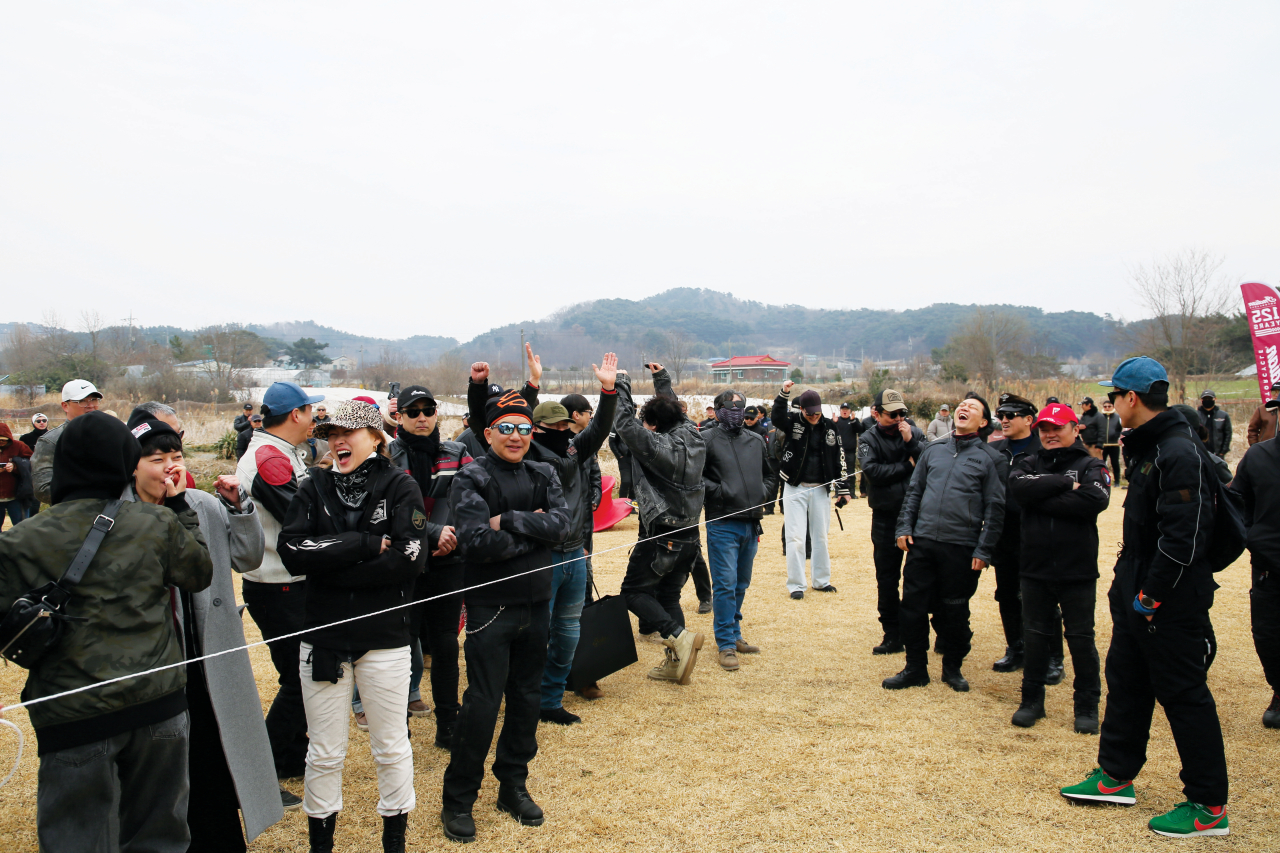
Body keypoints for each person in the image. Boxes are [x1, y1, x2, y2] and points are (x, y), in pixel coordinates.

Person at [0, 411, 212, 852]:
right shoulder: (155, 523)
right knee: (160, 837)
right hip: (157, 705)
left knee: (77, 839)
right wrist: (179, 508)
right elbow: (199, 572)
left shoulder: (19, 541)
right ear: (124, 461)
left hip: (73, 713)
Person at [1060, 357, 1230, 838]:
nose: (1111, 404)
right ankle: (1116, 775)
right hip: (1138, 583)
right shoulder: (1151, 445)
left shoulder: (1178, 450)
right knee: (1127, 679)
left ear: (1131, 398)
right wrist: (1129, 587)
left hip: (1169, 595)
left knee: (1183, 693)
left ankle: (1208, 806)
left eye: (1113, 396)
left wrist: (1152, 596)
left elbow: (1185, 537)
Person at [123, 406, 284, 849]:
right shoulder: (119, 514)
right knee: (162, 767)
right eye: (156, 459)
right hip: (155, 663)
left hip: (207, 655)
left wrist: (240, 508)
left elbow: (247, 558)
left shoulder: (203, 504)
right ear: (131, 465)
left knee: (212, 755)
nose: (170, 466)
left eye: (175, 455)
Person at [278, 400, 426, 853]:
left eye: (348, 432)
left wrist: (329, 566)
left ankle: (394, 842)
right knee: (323, 752)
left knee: (391, 746)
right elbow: (292, 551)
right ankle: (320, 845)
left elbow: (408, 560)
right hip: (322, 638)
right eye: (331, 434)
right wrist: (361, 544)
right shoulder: (313, 485)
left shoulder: (400, 485)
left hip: (384, 639)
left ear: (376, 438)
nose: (337, 441)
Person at [440, 379, 572, 843]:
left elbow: (563, 526)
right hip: (490, 607)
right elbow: (476, 542)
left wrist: (511, 520)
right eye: (506, 428)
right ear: (489, 433)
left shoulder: (544, 473)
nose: (516, 437)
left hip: (537, 603)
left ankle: (512, 785)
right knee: (482, 703)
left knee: (526, 699)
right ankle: (458, 798)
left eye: (524, 428)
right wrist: (535, 532)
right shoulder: (472, 476)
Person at [235, 381, 324, 783]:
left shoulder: (277, 451)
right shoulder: (269, 457)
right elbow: (299, 517)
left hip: (282, 582)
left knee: (300, 677)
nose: (313, 419)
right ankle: (262, 768)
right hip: (279, 584)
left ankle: (289, 758)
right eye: (310, 411)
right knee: (300, 680)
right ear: (295, 414)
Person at [519, 363, 618, 723]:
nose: (561, 432)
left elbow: (600, 429)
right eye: (553, 427)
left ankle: (551, 700)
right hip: (540, 557)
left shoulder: (576, 450)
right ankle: (526, 699)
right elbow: (513, 417)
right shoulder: (526, 454)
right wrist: (532, 385)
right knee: (535, 633)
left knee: (568, 632)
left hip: (575, 553)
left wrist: (608, 391)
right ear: (535, 429)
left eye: (565, 426)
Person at [885, 396, 1004, 692]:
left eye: (972, 407)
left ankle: (952, 668)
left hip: (961, 546)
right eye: (962, 405)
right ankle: (915, 668)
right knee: (912, 607)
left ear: (984, 422)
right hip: (922, 542)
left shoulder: (991, 458)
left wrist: (984, 549)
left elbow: (995, 508)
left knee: (954, 610)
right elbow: (914, 492)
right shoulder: (933, 450)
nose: (964, 408)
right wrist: (904, 527)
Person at [1007, 403, 1109, 733]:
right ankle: (1031, 702)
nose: (1050, 434)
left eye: (1058, 427)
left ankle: (1087, 706)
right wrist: (1066, 483)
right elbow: (1018, 489)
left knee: (1081, 639)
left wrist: (1041, 493)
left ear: (1075, 429)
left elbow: (1095, 500)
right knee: (1035, 638)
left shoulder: (1091, 464)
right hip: (1034, 568)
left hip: (1077, 569)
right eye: (1044, 429)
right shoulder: (1028, 462)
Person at [383, 384, 473, 748]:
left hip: (449, 561)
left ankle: (448, 723)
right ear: (399, 417)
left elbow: (473, 499)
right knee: (401, 647)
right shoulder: (386, 455)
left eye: (428, 410)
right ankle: (398, 728)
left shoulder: (457, 452)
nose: (422, 418)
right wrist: (432, 533)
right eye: (413, 411)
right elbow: (387, 510)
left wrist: (455, 535)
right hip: (404, 564)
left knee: (446, 644)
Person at [613, 363, 708, 685]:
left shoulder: (657, 446)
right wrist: (661, 380)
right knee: (668, 597)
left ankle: (677, 636)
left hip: (662, 536)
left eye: (648, 423)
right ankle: (678, 661)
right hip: (690, 535)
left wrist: (621, 382)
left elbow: (623, 422)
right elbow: (674, 411)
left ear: (653, 425)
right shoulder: (694, 435)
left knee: (632, 592)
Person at [988, 393, 1063, 678]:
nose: (1004, 420)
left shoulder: (1044, 448)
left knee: (1042, 597)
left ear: (1029, 419)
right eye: (1001, 415)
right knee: (1006, 595)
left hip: (1036, 534)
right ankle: (1016, 649)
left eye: (1010, 415)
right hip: (1003, 535)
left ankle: (1053, 658)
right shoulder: (994, 449)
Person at [702, 388, 773, 670]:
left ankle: (735, 632)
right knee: (724, 584)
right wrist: (720, 492)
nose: (736, 413)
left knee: (741, 583)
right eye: (730, 408)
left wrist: (761, 494)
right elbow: (696, 477)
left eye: (740, 408)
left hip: (751, 522)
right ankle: (726, 644)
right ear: (718, 411)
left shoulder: (755, 440)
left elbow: (769, 475)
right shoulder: (706, 439)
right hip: (722, 522)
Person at [858, 389, 925, 654]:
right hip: (886, 516)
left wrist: (910, 442)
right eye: (892, 414)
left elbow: (930, 461)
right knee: (887, 579)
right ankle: (892, 634)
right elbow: (872, 472)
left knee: (920, 578)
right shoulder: (867, 438)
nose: (898, 419)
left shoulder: (914, 432)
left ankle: (922, 632)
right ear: (876, 413)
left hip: (918, 515)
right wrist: (907, 466)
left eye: (902, 413)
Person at [771, 383, 850, 599]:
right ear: (802, 410)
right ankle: (796, 585)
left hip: (821, 489)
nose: (814, 417)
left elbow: (839, 457)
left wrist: (843, 488)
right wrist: (784, 394)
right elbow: (776, 416)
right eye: (810, 413)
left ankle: (821, 581)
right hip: (795, 487)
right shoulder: (792, 421)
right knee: (795, 537)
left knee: (821, 537)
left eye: (817, 412)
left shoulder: (830, 427)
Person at [1229, 396, 1280, 729]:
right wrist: (1252, 536)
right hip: (1268, 566)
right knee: (1267, 635)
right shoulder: (1259, 456)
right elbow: (1236, 500)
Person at [29, 378, 102, 505]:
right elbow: (43, 489)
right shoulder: (51, 441)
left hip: (112, 510)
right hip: (72, 512)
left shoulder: (111, 434)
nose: (90, 405)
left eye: (94, 400)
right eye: (82, 401)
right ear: (65, 406)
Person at [0, 424, 33, 527]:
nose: (1, 442)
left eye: (4, 440)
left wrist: (15, 466)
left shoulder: (19, 446)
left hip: (17, 495)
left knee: (21, 527)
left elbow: (31, 462)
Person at [1197, 389, 1232, 457]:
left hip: (1218, 453)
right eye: (1205, 398)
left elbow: (1228, 434)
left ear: (1215, 399)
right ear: (1201, 400)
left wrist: (1223, 452)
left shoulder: (1223, 415)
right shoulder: (1195, 415)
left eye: (1210, 398)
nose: (1207, 400)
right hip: (1200, 453)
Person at [1246, 381, 1280, 445]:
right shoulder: (1262, 409)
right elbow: (1252, 430)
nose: (1276, 394)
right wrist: (1255, 447)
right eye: (1273, 392)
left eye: (1278, 392)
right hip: (1266, 447)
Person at [1099, 398, 1123, 485]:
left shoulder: (1118, 417)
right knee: (1101, 463)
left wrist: (1117, 437)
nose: (1107, 408)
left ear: (1113, 407)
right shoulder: (1100, 417)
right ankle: (1102, 480)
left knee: (1115, 463)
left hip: (1114, 444)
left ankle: (1117, 481)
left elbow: (1120, 429)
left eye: (1109, 406)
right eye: (1105, 406)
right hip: (1103, 444)